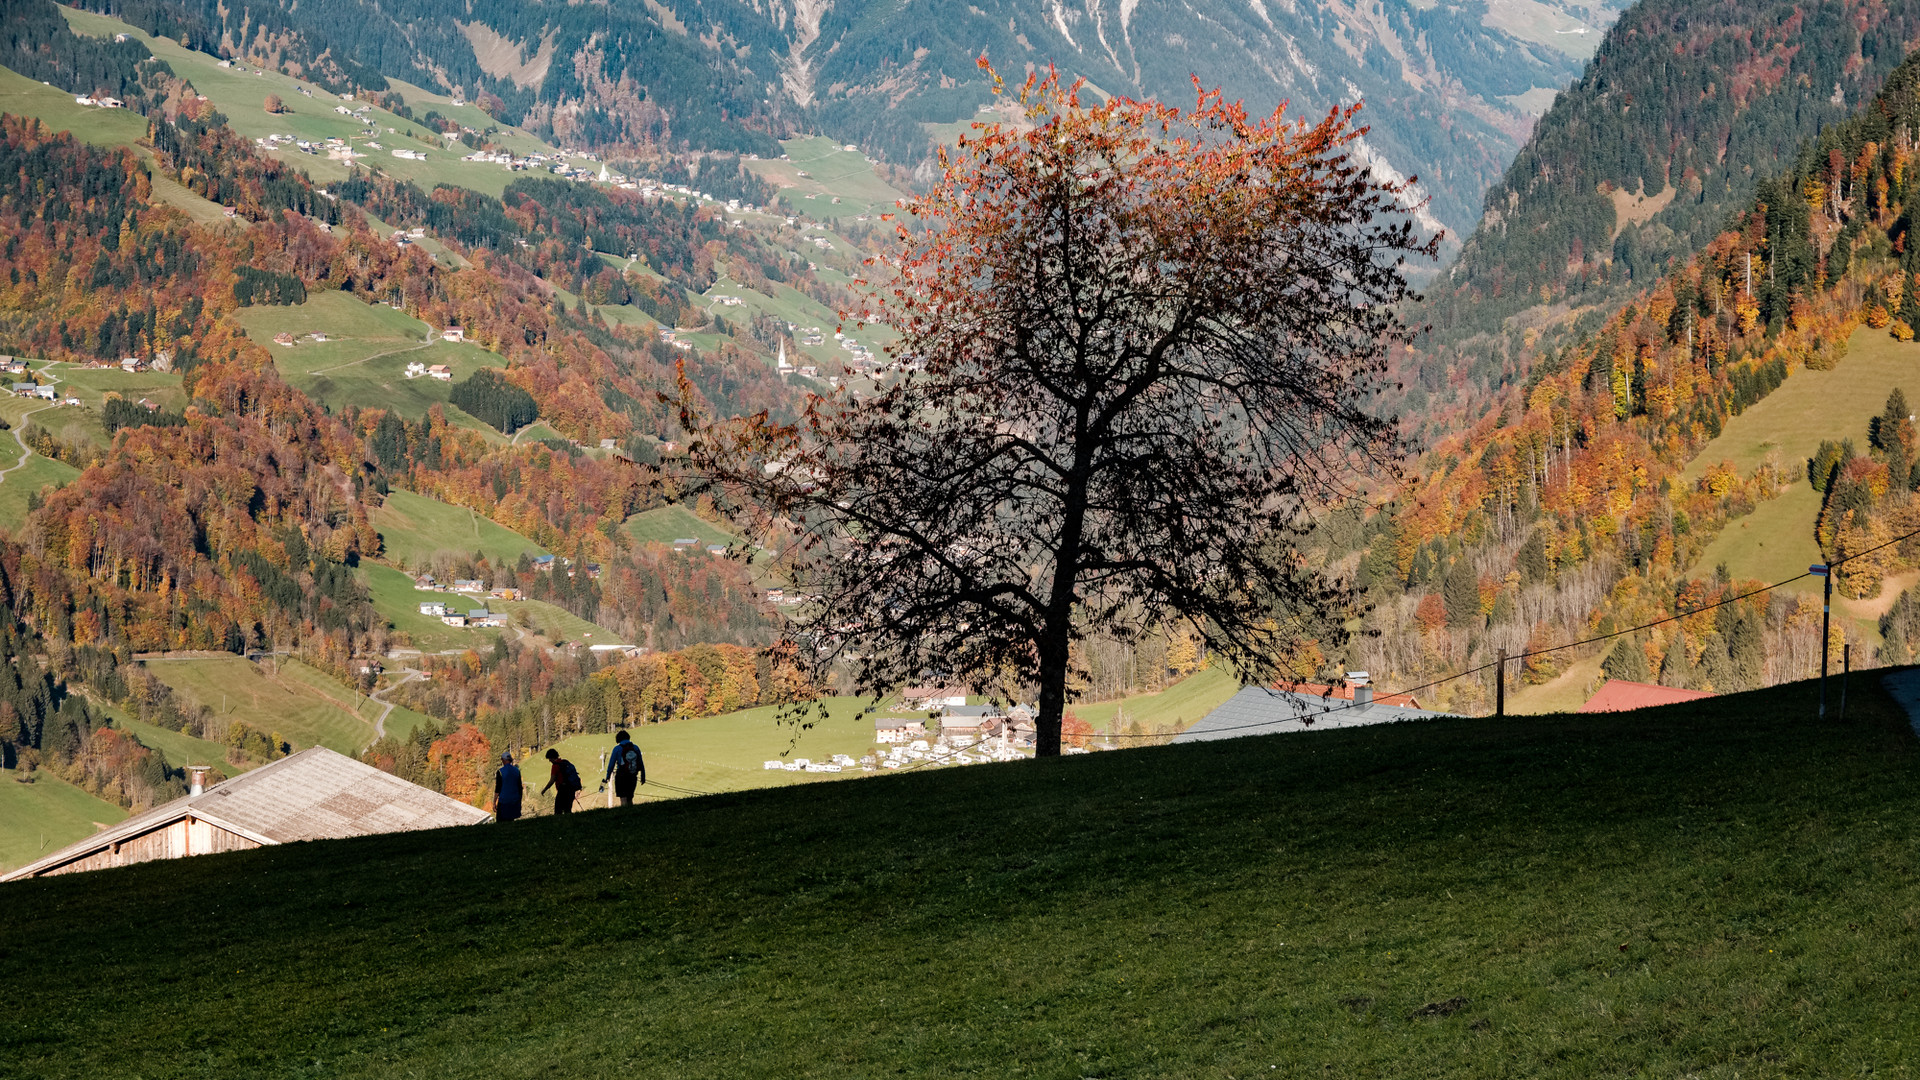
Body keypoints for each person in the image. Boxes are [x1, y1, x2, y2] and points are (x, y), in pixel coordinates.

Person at [601, 729, 646, 807]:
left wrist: (608, 776)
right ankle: (631, 814)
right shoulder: (635, 748)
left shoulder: (617, 749)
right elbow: (641, 763)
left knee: (623, 797)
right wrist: (643, 776)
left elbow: (611, 765)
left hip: (621, 775)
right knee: (630, 797)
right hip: (632, 775)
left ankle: (624, 814)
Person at [540, 747, 582, 815]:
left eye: (549, 759)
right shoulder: (565, 762)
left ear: (552, 757)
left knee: (558, 811)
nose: (549, 761)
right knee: (568, 810)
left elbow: (552, 780)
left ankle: (559, 825)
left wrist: (544, 790)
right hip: (571, 789)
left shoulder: (555, 766)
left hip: (563, 790)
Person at [493, 752, 523, 822]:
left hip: (504, 801)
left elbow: (498, 789)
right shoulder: (517, 771)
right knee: (511, 821)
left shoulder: (500, 772)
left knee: (501, 822)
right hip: (514, 801)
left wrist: (494, 802)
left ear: (503, 760)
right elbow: (519, 788)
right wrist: (519, 800)